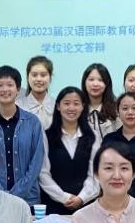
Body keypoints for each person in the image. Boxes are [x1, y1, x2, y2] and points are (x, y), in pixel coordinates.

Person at [0, 65, 44, 205]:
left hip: (28, 200)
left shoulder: (32, 123)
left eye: (10, 85)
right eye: (0, 85)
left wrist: (16, 193)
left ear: (18, 89)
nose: (5, 89)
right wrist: (1, 194)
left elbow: (36, 163)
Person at [38, 86, 99, 215]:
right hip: (54, 206)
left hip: (87, 206)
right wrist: (64, 197)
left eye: (76, 104)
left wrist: (81, 198)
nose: (71, 108)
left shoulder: (92, 136)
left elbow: (95, 174)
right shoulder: (46, 136)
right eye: (66, 103)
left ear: (83, 107)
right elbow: (43, 173)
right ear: (58, 106)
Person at [82, 63, 120, 139]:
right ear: (84, 82)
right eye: (91, 79)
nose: (95, 84)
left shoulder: (117, 108)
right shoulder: (78, 108)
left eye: (100, 80)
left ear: (107, 83)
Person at [17, 55, 55, 130]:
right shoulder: (18, 107)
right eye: (34, 75)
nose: (39, 79)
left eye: (43, 75)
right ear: (28, 77)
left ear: (50, 78)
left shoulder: (58, 106)